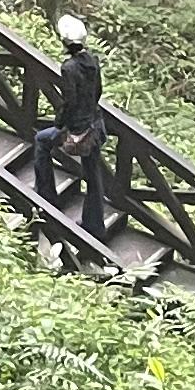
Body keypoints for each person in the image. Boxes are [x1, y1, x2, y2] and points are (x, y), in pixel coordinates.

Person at [36, 17, 111, 234]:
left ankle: (47, 195)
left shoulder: (69, 67)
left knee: (41, 141)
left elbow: (69, 101)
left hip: (78, 130)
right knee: (93, 173)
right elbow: (98, 91)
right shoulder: (93, 61)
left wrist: (60, 125)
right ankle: (95, 225)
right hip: (96, 126)